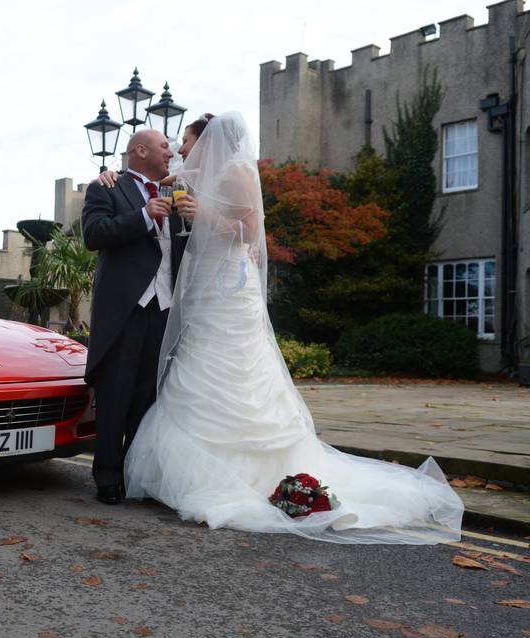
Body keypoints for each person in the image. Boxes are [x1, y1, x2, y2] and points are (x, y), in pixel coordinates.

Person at [122, 111, 464, 543]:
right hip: (205, 287)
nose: (181, 148)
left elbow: (249, 232)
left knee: (236, 367)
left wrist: (203, 213)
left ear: (208, 142)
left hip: (228, 287)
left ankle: (248, 477)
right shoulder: (194, 174)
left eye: (186, 141)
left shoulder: (236, 172)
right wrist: (108, 176)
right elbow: (139, 179)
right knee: (195, 364)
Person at [80, 129, 193, 505]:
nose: (171, 151)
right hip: (125, 307)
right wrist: (143, 216)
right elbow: (93, 234)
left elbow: (184, 249)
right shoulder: (107, 187)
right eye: (164, 146)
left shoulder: (176, 192)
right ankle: (108, 477)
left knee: (147, 395)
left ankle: (135, 473)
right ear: (140, 151)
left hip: (163, 308)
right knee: (115, 395)